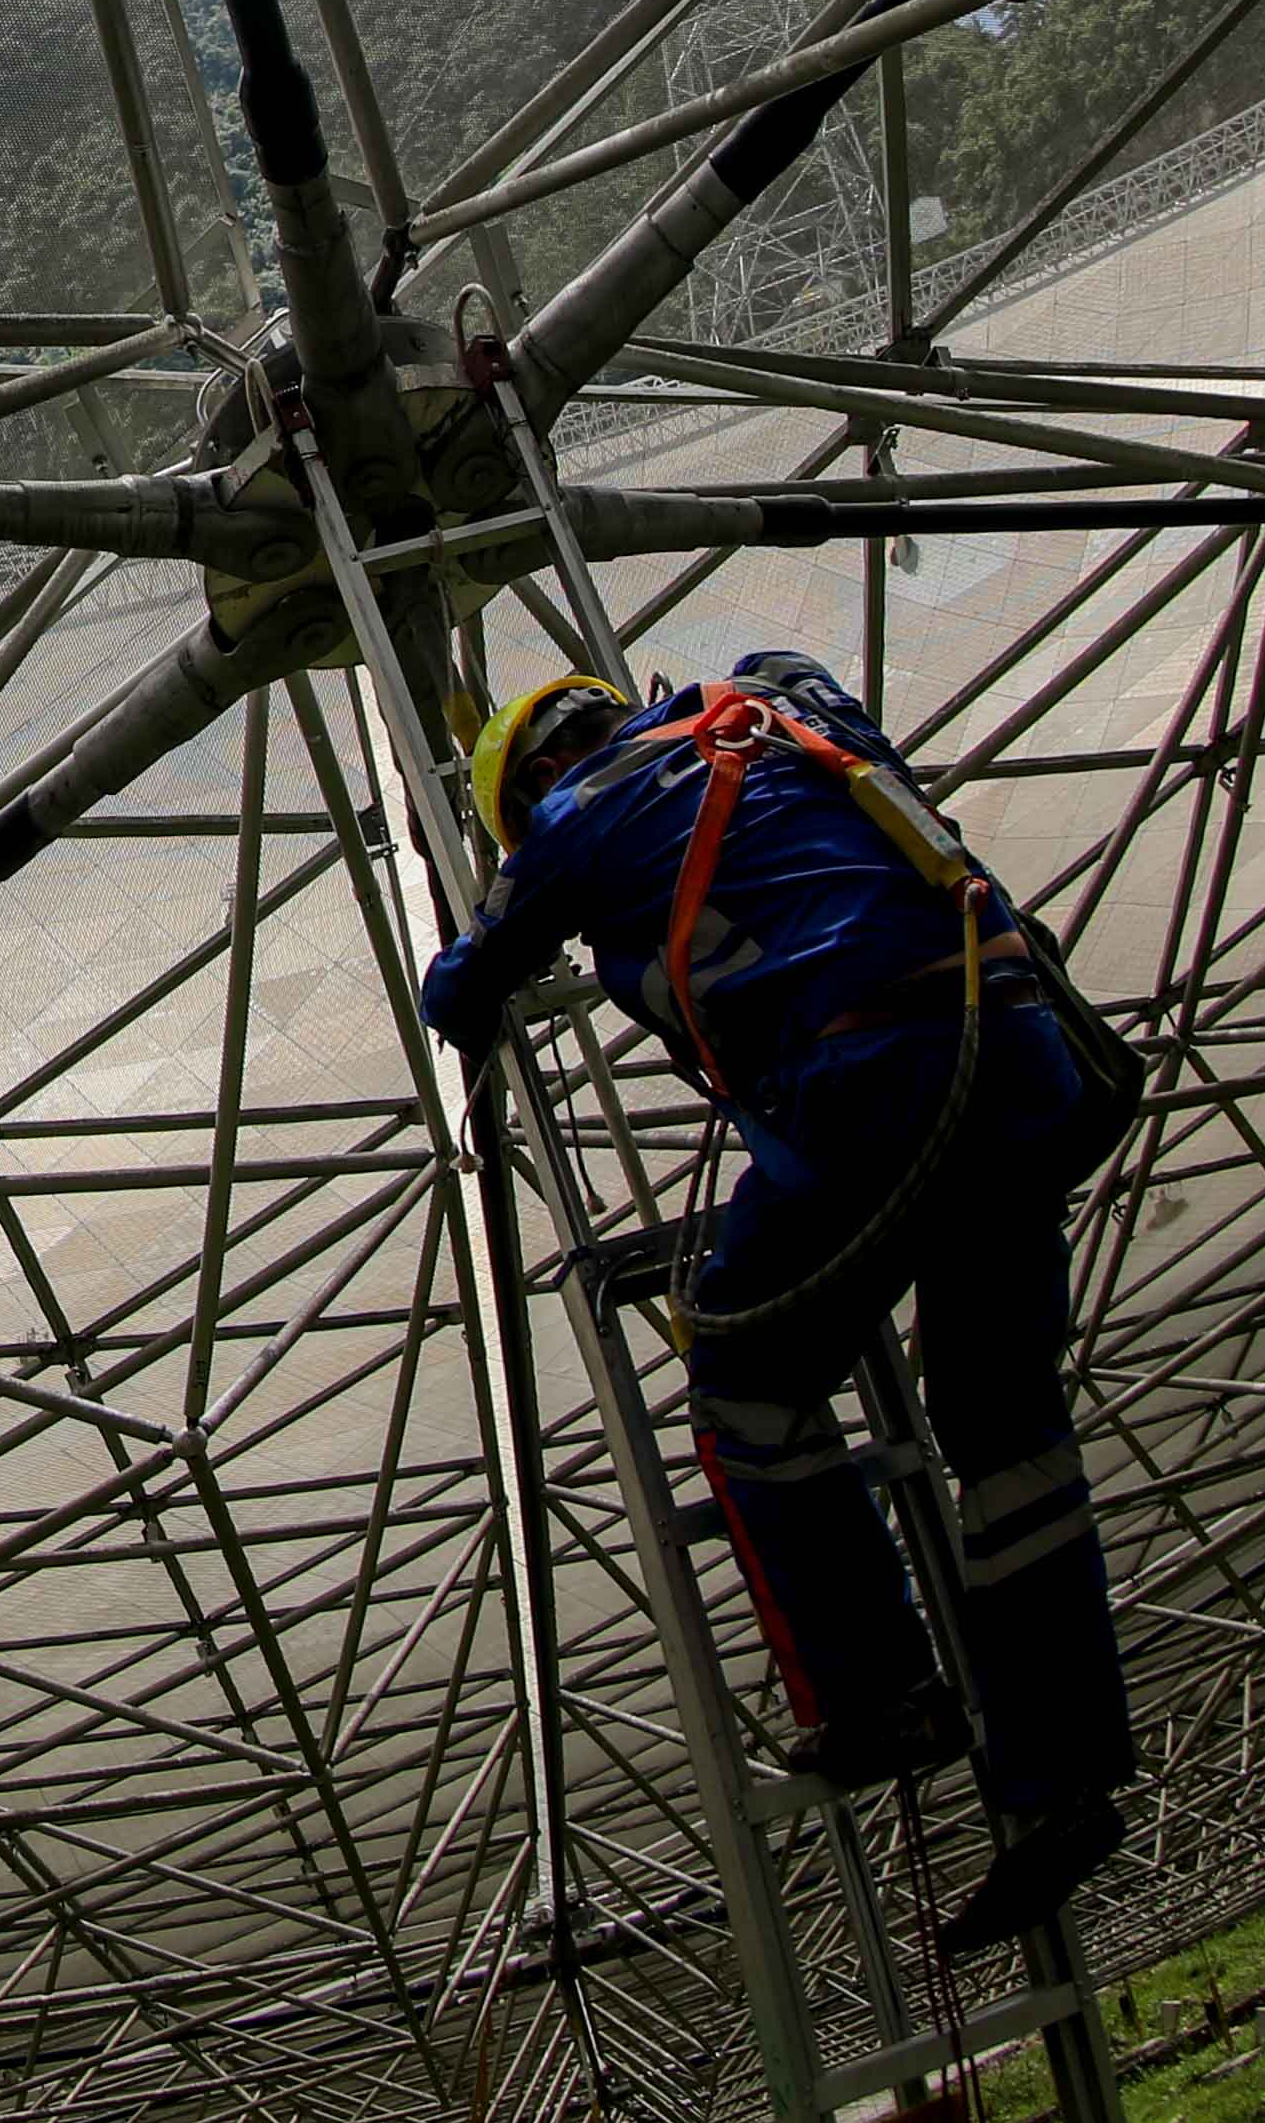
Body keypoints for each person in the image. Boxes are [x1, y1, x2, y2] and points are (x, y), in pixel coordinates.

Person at [420, 646, 1141, 1953]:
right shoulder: (785, 708)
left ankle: (877, 1695)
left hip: (863, 1087)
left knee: (745, 1383)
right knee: (1003, 1427)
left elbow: (460, 991)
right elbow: (830, 723)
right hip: (1014, 1055)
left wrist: (525, 898)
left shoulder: (570, 820)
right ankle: (1060, 1780)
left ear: (529, 785)